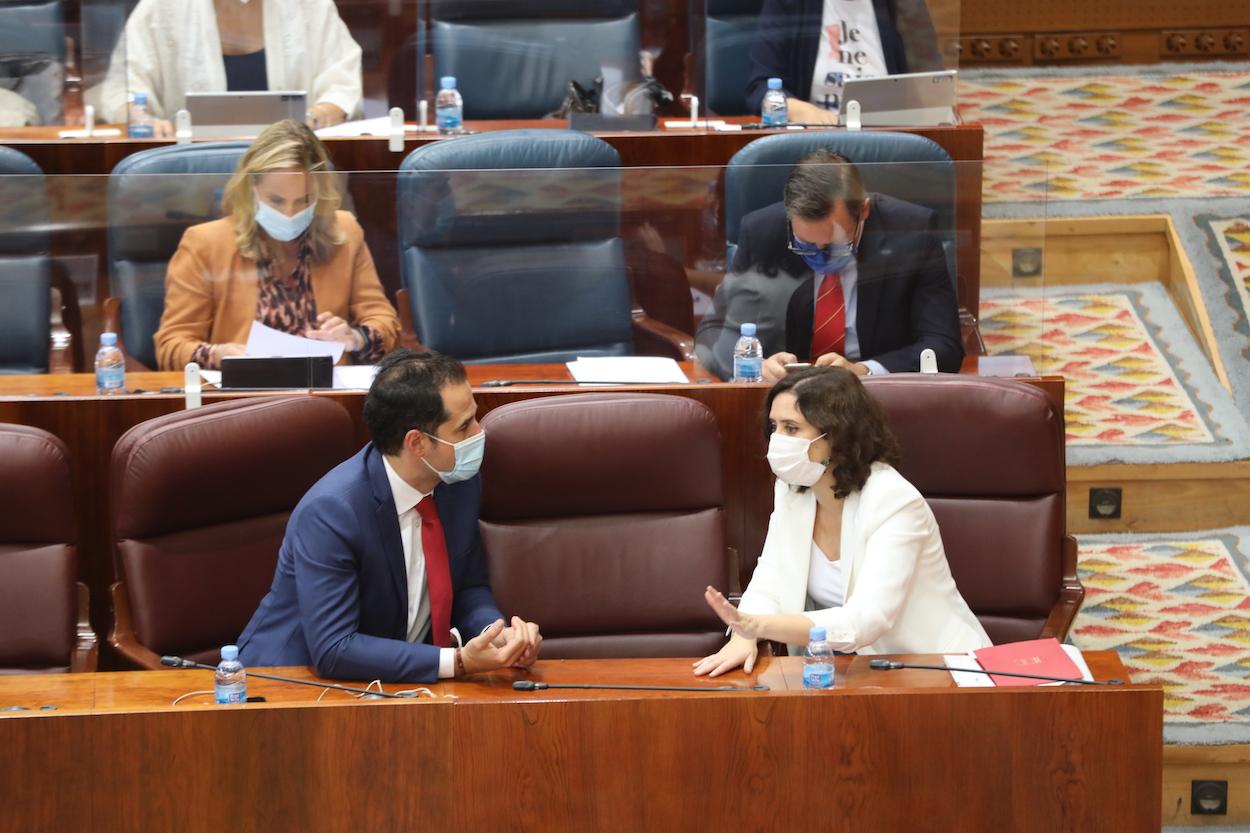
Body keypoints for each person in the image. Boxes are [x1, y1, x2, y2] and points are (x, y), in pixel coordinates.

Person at [238, 349, 543, 683]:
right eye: (464, 426)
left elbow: (468, 585)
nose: (479, 433)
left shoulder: (458, 483)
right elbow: (334, 649)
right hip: (289, 685)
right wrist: (457, 661)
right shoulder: (332, 512)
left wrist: (494, 634)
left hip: (395, 683)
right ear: (417, 443)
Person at [693, 367, 989, 677]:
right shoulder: (793, 489)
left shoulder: (894, 501)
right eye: (774, 426)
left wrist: (760, 625)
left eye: (792, 429)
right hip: (854, 673)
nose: (777, 441)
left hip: (936, 670)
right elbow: (771, 578)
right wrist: (744, 634)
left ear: (837, 436)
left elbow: (866, 620)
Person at [695, 148, 962, 382]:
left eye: (835, 245)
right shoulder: (762, 231)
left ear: (864, 211)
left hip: (872, 398)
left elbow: (943, 345)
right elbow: (713, 332)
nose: (820, 257)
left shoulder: (912, 231)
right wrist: (753, 365)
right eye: (805, 246)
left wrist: (864, 371)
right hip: (784, 398)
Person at [153, 119, 399, 371]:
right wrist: (218, 355)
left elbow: (385, 323)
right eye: (276, 200)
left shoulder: (345, 232)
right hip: (244, 398)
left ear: (319, 191)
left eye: (304, 200)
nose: (290, 213)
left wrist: (355, 338)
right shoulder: (205, 243)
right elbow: (170, 347)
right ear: (252, 188)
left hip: (326, 392)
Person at [96, 0, 361, 136]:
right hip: (188, 183)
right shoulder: (162, 8)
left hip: (293, 182)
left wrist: (314, 117)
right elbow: (122, 91)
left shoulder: (309, 6)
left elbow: (343, 87)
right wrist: (146, 122)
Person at [745, 0, 942, 122]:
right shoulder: (791, 4)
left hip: (887, 137)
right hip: (814, 145)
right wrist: (799, 109)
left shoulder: (898, 6)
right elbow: (761, 87)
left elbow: (930, 84)